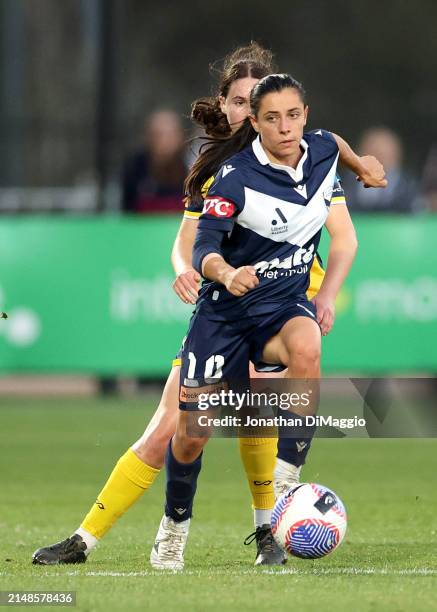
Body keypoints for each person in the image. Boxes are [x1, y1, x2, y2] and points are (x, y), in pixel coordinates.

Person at [32, 44, 386, 568]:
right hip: (228, 307)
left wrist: (322, 296)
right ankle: (88, 538)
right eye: (239, 102)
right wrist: (187, 269)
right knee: (173, 432)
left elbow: (344, 233)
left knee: (259, 420)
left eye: (258, 101)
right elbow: (189, 243)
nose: (249, 111)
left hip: (283, 309)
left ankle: (270, 531)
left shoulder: (306, 153)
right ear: (224, 106)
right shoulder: (218, 170)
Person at [150, 73, 362, 570]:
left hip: (280, 308)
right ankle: (173, 527)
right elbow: (203, 246)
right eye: (271, 118)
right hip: (224, 315)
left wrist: (364, 166)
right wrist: (225, 271)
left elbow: (339, 146)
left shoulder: (322, 149)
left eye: (293, 115)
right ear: (257, 123)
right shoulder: (235, 177)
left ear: (305, 116)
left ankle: (287, 482)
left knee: (307, 344)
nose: (284, 127)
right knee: (192, 435)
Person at [121, 109, 188, 214]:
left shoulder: (192, 168)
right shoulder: (134, 170)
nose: (164, 142)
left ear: (180, 137)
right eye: (158, 135)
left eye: (170, 135)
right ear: (148, 137)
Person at [344, 126, 418, 214]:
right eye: (374, 151)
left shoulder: (409, 185)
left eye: (384, 153)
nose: (380, 158)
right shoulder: (345, 183)